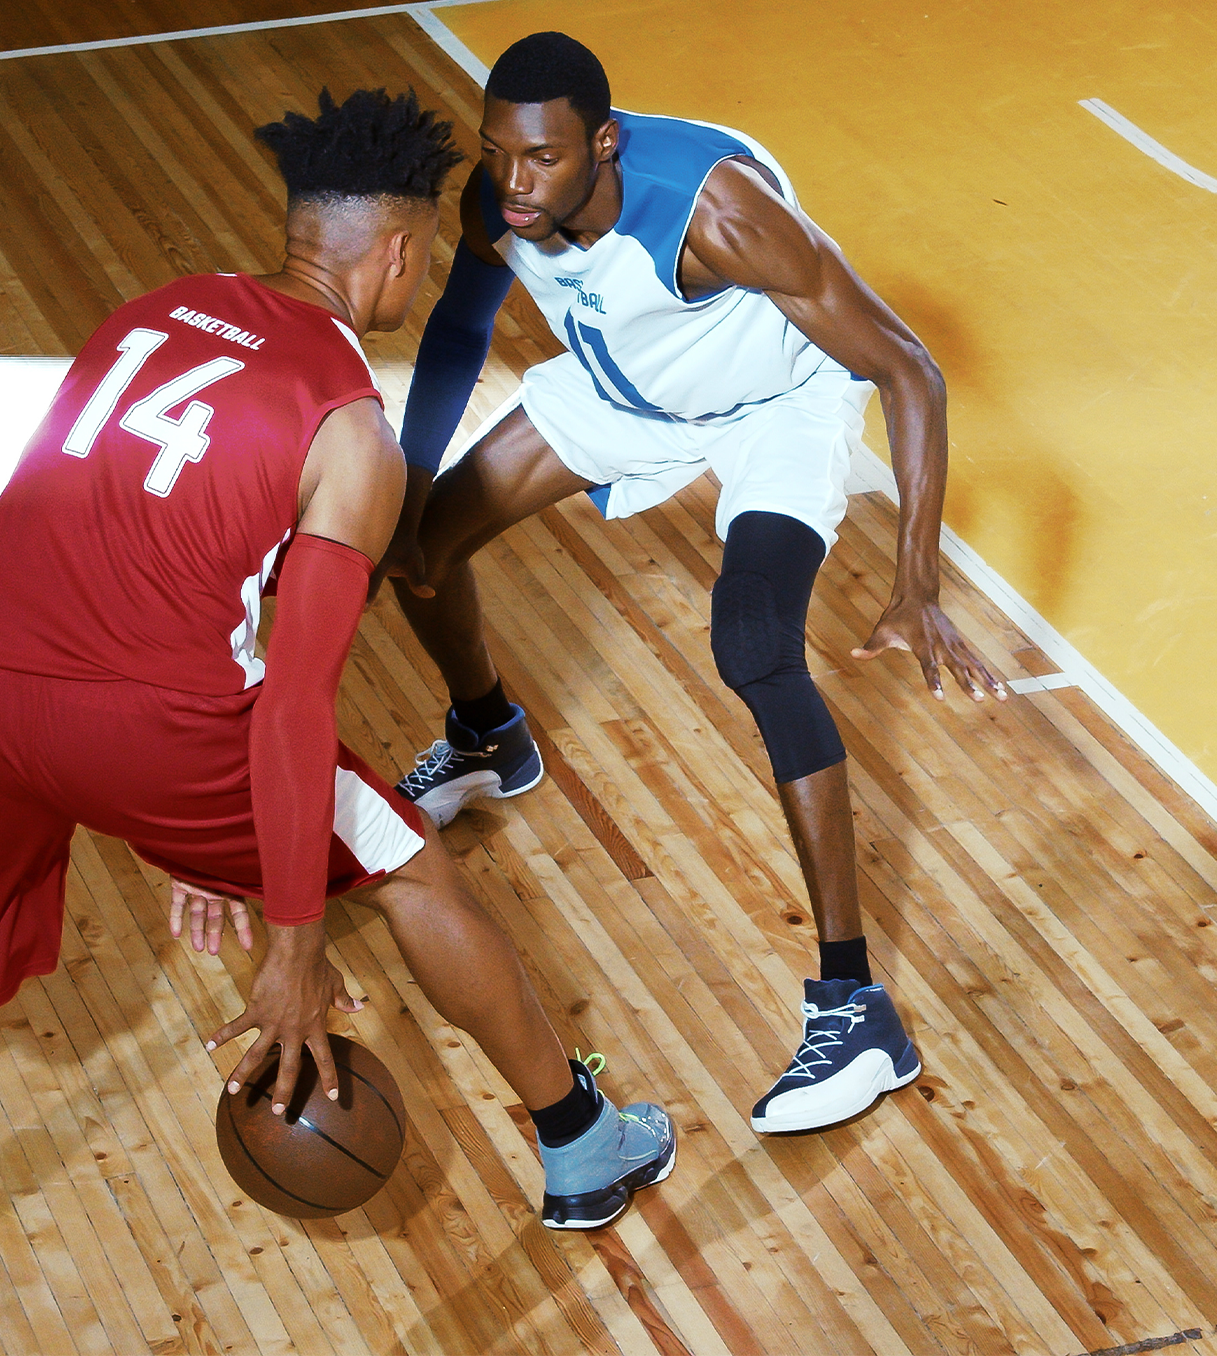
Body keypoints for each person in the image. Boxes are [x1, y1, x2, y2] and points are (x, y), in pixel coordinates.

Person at [0, 88, 673, 1343]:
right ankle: (581, 1145)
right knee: (414, 873)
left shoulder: (149, 315)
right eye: (426, 260)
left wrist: (181, 837)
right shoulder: (353, 434)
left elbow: (112, 549)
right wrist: (290, 945)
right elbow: (289, 703)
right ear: (396, 253)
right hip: (163, 730)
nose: (421, 279)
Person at [384, 33, 1006, 1136]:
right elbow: (458, 328)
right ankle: (490, 736)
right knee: (420, 556)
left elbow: (907, 366)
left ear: (603, 146)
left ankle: (856, 1007)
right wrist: (408, 483)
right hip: (624, 391)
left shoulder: (717, 217)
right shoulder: (502, 201)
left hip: (779, 407)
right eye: (497, 154)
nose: (512, 181)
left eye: (538, 158)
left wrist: (917, 581)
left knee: (755, 645)